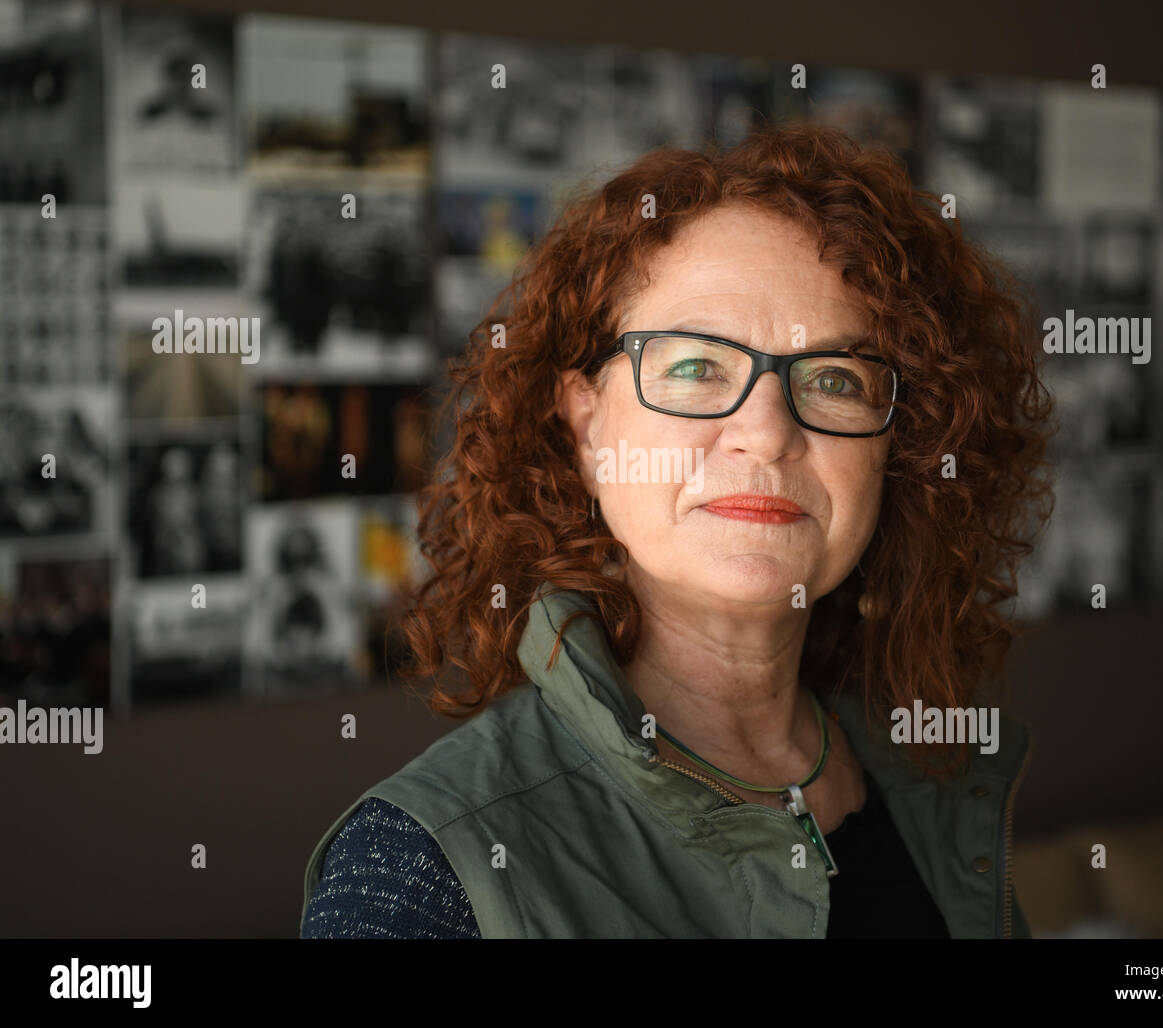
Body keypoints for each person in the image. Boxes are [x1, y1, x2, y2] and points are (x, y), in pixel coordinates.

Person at [301, 121, 1055, 939]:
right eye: (696, 366)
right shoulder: (421, 871)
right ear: (585, 430)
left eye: (835, 377)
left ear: (895, 449)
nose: (766, 434)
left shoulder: (932, 778)